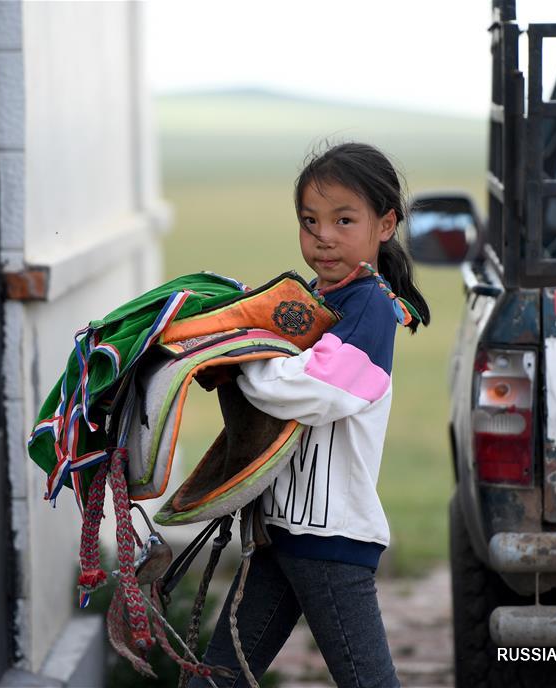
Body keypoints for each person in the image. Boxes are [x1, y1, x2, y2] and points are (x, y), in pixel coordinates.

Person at [189, 142, 431, 688]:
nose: (323, 235)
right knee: (216, 679)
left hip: (330, 542)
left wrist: (242, 358)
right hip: (282, 535)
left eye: (344, 220)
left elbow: (313, 390)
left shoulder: (371, 306)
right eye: (310, 220)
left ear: (385, 223)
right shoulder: (314, 304)